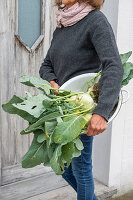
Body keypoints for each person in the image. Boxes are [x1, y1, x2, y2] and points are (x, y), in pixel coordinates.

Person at [39, 0, 124, 199]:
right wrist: (52, 81)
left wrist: (101, 112)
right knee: (61, 166)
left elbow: (114, 66)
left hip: (81, 112)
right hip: (63, 110)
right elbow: (46, 65)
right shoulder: (62, 26)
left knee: (81, 169)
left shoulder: (96, 21)